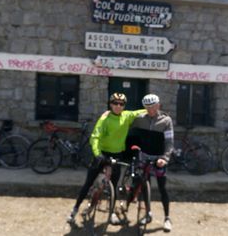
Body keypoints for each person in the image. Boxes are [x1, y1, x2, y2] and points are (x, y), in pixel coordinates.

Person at [67, 93, 146, 225]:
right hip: (102, 154)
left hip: (117, 154)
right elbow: (95, 137)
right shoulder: (105, 119)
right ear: (110, 104)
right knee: (88, 183)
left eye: (121, 104)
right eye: (115, 103)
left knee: (114, 187)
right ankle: (74, 210)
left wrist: (156, 110)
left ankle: (112, 212)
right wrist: (97, 154)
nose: (118, 106)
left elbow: (140, 112)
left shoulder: (126, 116)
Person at [129, 93, 174, 232]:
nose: (151, 110)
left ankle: (167, 218)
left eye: (153, 107)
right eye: (147, 108)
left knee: (162, 188)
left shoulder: (166, 121)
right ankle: (148, 213)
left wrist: (165, 158)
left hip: (159, 159)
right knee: (144, 186)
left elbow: (169, 142)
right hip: (144, 157)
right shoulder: (139, 119)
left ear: (158, 105)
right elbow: (132, 136)